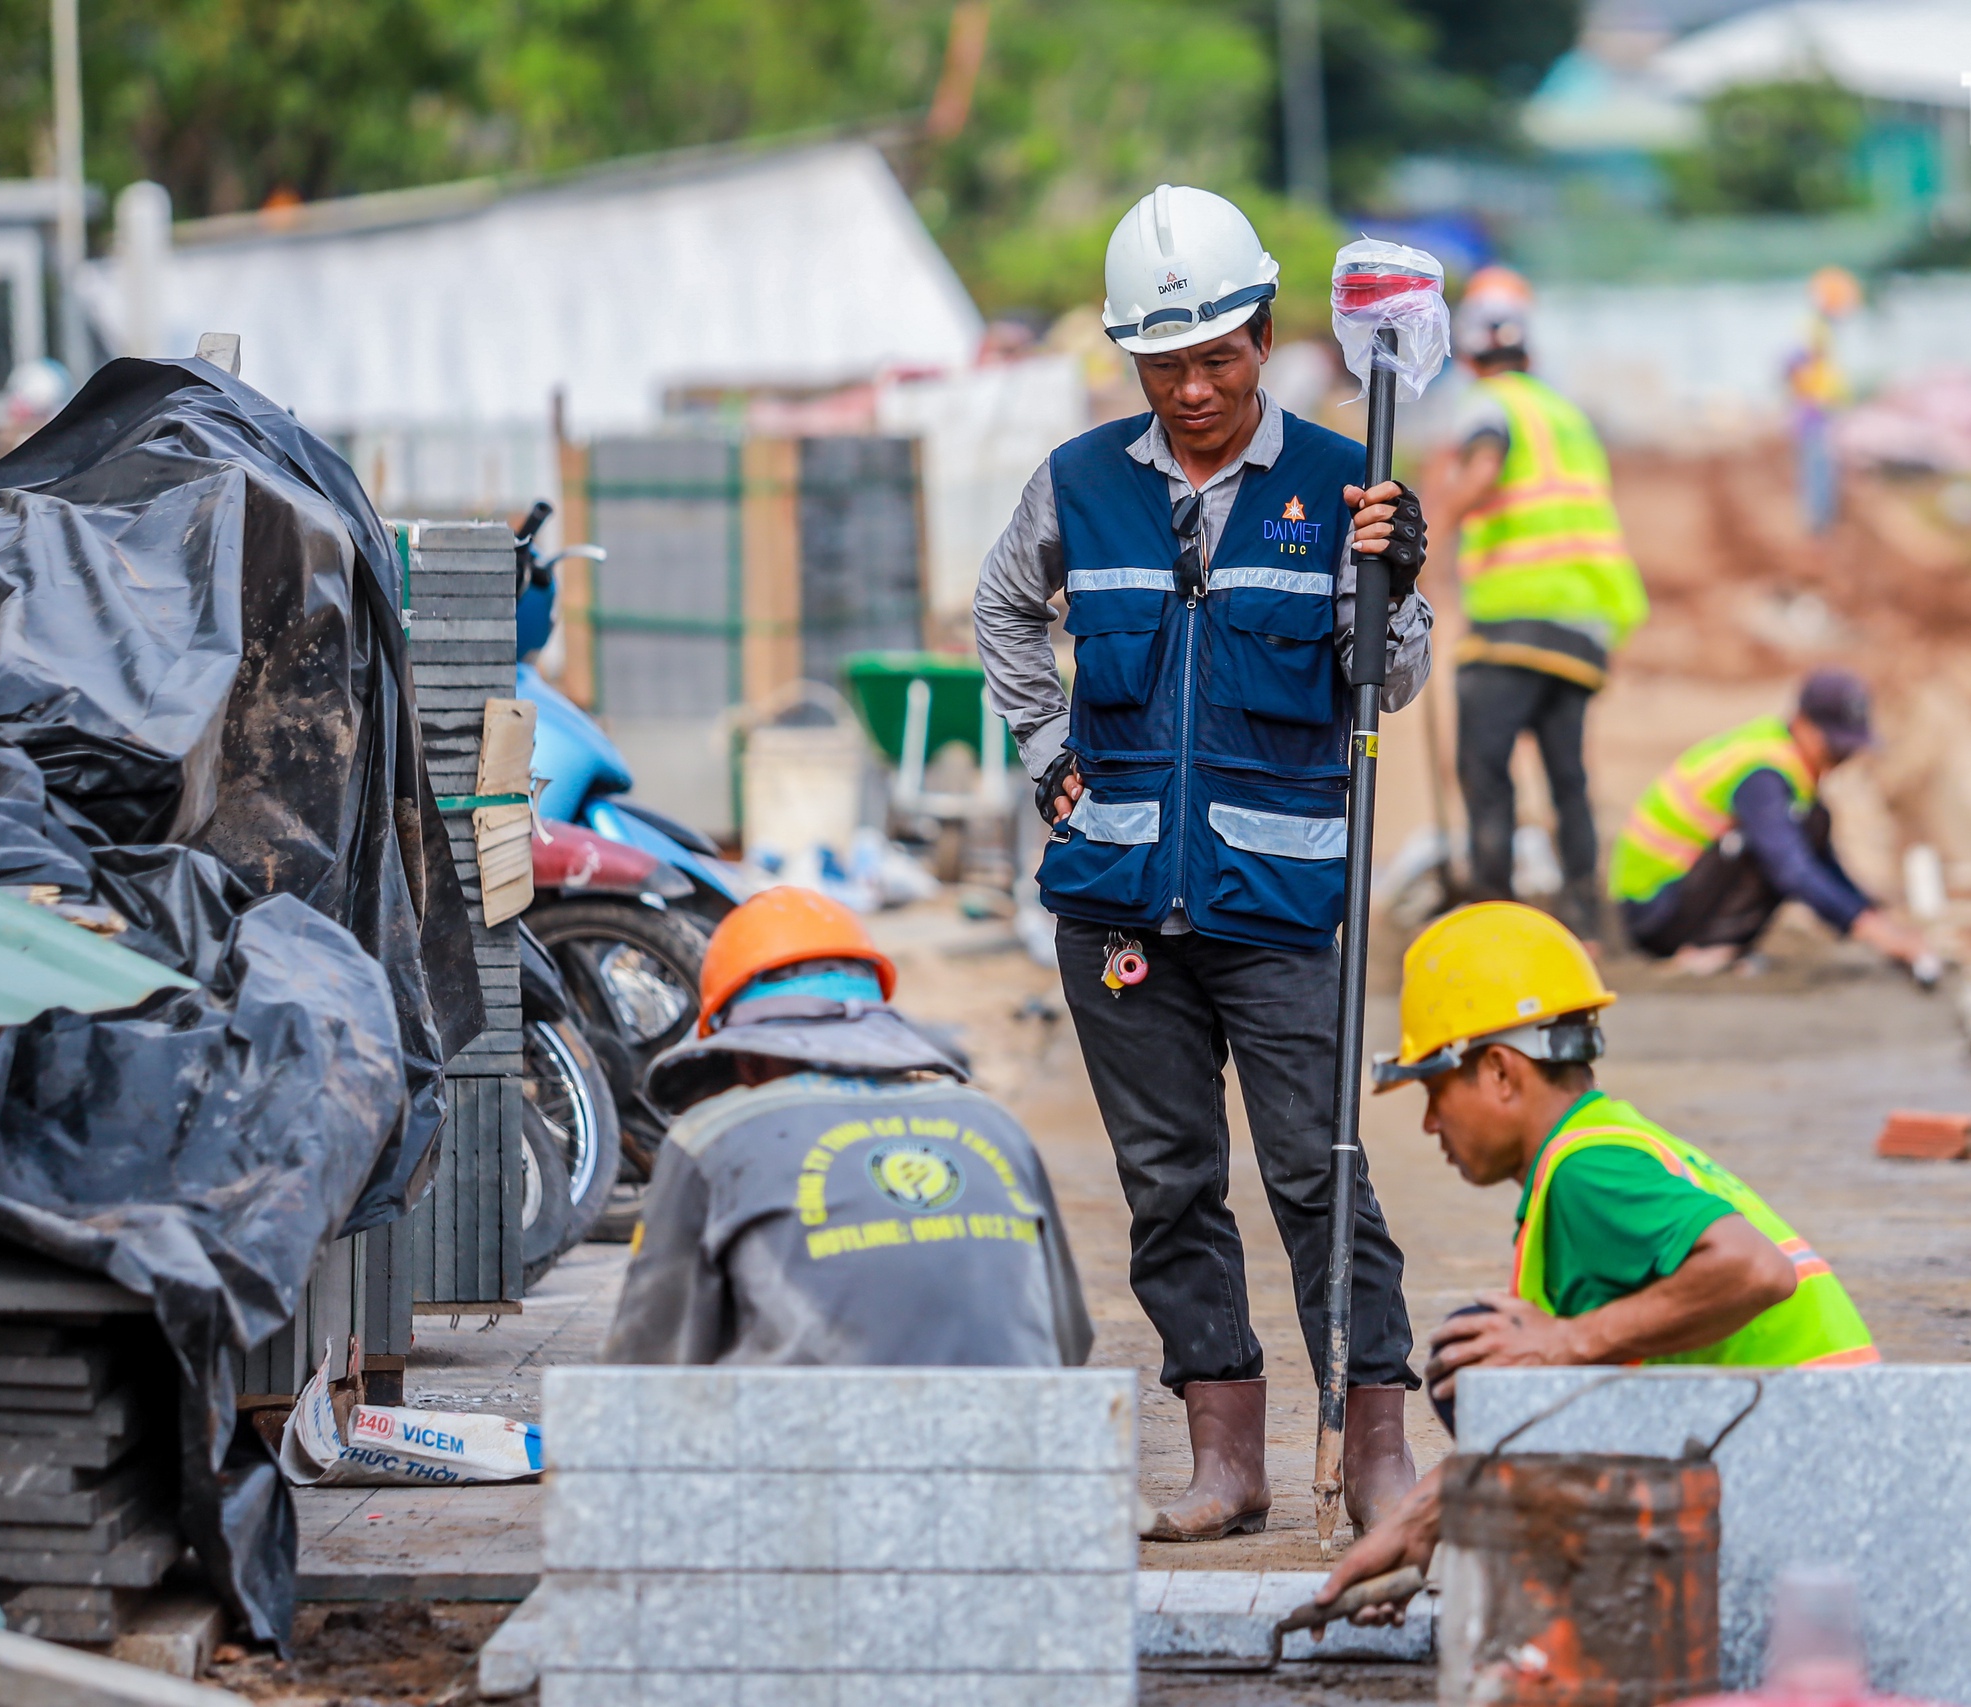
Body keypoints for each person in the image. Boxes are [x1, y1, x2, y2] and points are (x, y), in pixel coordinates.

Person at [972, 184, 1434, 1542]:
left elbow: (1390, 685)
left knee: (1315, 1168)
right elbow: (1003, 607)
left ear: (1267, 335)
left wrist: (1394, 584)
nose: (1191, 387)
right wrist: (1045, 736)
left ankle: (1375, 1446)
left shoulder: (1347, 485)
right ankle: (1225, 1457)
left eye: (1218, 356)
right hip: (1115, 908)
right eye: (1163, 363)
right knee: (1170, 1181)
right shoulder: (1078, 482)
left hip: (1280, 904)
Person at [1312, 900, 1877, 1616]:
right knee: (1498, 1356)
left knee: (1483, 1356)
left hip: (1815, 1478)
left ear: (1501, 1072)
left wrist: (1563, 1340)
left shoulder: (1589, 1168)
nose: (1429, 1122)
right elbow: (1577, 1397)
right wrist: (1428, 1515)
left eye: (1435, 1089)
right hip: (1815, 1448)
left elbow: (1757, 1270)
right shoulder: (1597, 1148)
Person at [603, 886, 1093, 1367]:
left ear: (746, 1060)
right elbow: (1068, 1341)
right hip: (1019, 1439)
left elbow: (647, 1368)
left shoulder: (711, 1139)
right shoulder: (994, 1126)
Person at [1419, 269, 1646, 940]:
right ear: (1530, 350)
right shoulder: (1564, 414)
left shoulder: (1486, 403)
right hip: (1582, 621)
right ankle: (1586, 913)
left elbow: (1483, 463)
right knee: (1567, 774)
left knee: (1484, 768)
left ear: (1467, 353)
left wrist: (1425, 544)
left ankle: (1494, 914)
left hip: (1515, 617)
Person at [1609, 666, 1931, 977]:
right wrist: (1872, 931)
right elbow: (1791, 868)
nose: (1839, 762)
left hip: (1678, 896)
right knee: (1778, 841)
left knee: (1812, 821)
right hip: (1655, 913)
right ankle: (1706, 945)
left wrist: (1873, 915)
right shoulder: (1763, 770)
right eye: (1834, 749)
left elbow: (1823, 861)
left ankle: (1716, 942)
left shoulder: (1784, 763)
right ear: (1803, 724)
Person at [1787, 266, 1860, 536]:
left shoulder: (1821, 329)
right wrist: (1813, 397)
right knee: (1817, 466)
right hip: (1813, 412)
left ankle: (1823, 521)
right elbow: (1794, 366)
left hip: (1820, 409)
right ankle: (1819, 524)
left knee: (1822, 465)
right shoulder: (1813, 329)